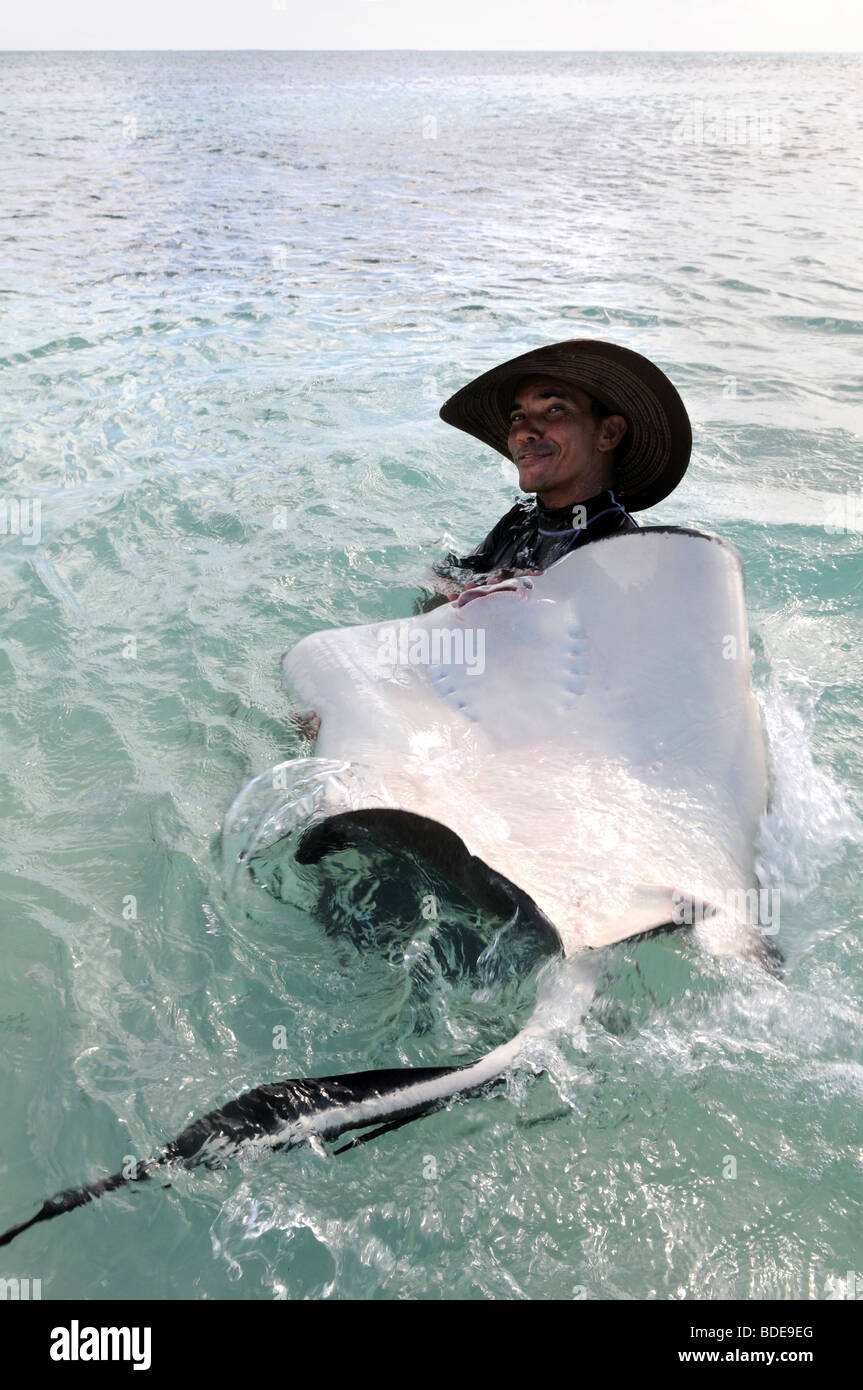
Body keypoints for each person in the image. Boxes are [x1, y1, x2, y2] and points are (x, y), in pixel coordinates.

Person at [423, 337, 692, 606]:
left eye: (554, 410)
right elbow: (438, 580)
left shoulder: (623, 553)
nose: (524, 432)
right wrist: (476, 590)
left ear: (608, 433)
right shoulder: (521, 520)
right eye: (518, 417)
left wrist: (536, 595)